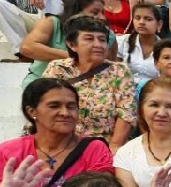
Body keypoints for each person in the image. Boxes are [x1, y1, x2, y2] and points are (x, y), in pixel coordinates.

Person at [42, 15, 136, 153]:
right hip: (61, 145)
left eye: (102, 40)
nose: (98, 45)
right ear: (72, 45)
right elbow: (46, 109)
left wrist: (113, 148)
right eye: (89, 39)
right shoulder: (58, 69)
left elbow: (126, 114)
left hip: (104, 147)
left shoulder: (119, 71)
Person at [20, 0, 111, 87]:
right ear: (76, 11)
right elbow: (27, 48)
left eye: (102, 12)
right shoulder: (51, 22)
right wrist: (75, 57)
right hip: (42, 82)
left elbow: (108, 68)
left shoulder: (108, 35)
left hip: (89, 87)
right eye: (95, 12)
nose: (102, 17)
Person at [120, 2, 163, 83]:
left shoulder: (165, 48)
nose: (141, 22)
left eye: (148, 19)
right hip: (125, 90)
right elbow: (113, 71)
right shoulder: (122, 41)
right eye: (137, 18)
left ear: (159, 24)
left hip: (154, 91)